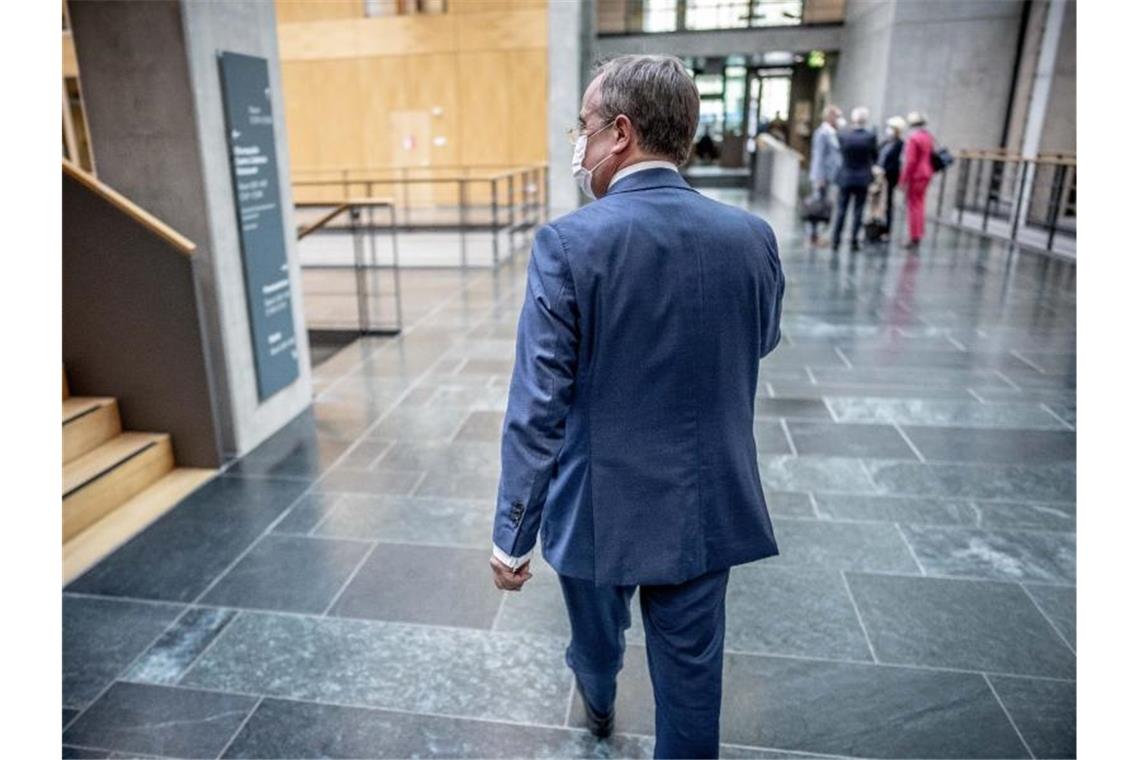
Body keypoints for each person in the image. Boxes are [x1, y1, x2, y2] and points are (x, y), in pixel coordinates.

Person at [489, 54, 785, 759]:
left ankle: (596, 697)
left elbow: (540, 400)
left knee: (595, 643)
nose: (578, 145)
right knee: (692, 681)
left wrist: (512, 531)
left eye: (583, 128)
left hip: (598, 504)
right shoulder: (751, 237)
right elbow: (761, 339)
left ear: (620, 133)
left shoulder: (570, 243)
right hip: (704, 501)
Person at [831, 106, 877, 252]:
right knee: (858, 210)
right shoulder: (870, 136)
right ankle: (853, 241)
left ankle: (836, 240)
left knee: (841, 209)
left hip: (845, 177)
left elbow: (839, 150)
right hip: (862, 178)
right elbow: (875, 156)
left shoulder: (843, 135)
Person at [899, 111, 934, 249]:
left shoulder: (914, 138)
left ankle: (914, 236)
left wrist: (903, 180)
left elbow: (911, 161)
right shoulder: (927, 136)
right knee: (919, 204)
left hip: (917, 175)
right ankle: (918, 234)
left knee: (913, 206)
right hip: (926, 173)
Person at [808, 105, 842, 245]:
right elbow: (819, 156)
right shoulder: (822, 133)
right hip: (821, 176)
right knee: (817, 205)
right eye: (836, 116)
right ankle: (813, 235)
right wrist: (819, 177)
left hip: (829, 176)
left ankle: (818, 234)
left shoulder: (832, 133)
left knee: (824, 205)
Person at [877, 116, 906, 238]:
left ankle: (887, 229)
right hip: (878, 176)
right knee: (877, 202)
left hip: (890, 176)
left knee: (888, 202)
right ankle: (876, 226)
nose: (888, 130)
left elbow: (896, 162)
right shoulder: (885, 142)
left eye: (891, 128)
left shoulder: (900, 144)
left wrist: (885, 170)